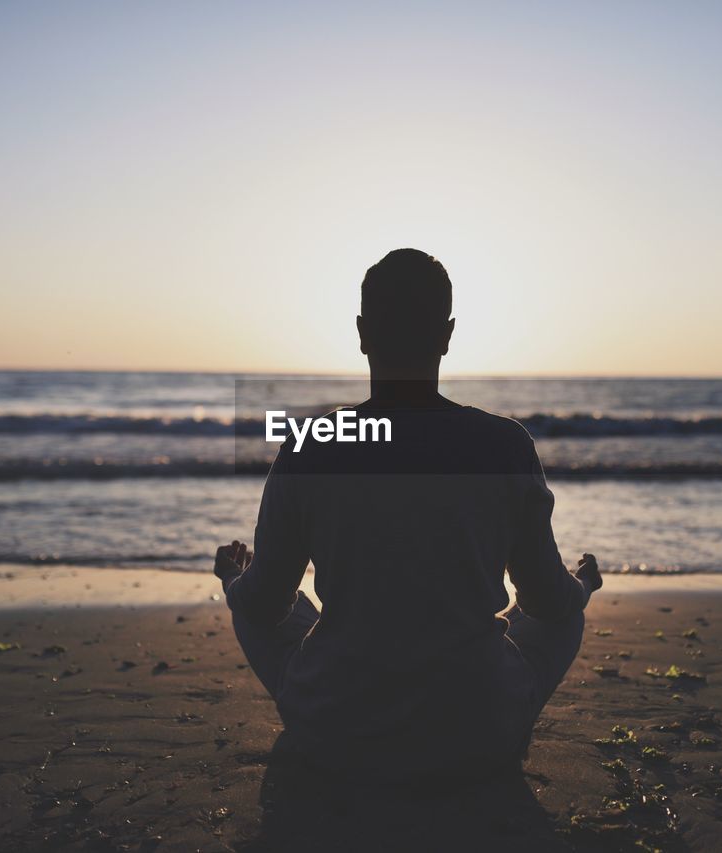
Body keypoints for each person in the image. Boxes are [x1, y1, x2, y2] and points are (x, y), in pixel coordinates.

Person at [214, 248, 601, 782]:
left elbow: (263, 606)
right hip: (477, 734)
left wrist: (234, 580)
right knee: (567, 614)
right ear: (446, 334)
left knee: (261, 603)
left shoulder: (314, 444)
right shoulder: (503, 445)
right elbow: (547, 603)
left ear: (362, 333)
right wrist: (581, 586)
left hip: (336, 732)